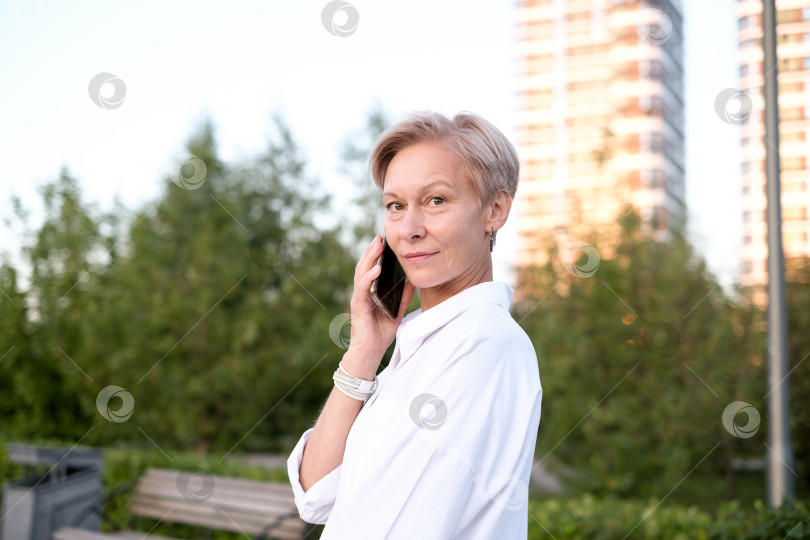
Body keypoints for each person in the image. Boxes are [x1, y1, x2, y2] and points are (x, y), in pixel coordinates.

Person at [287, 111, 542, 539]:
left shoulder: (480, 345)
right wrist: (363, 355)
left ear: (494, 210)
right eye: (395, 205)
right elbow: (316, 495)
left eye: (436, 200)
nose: (408, 229)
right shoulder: (425, 343)